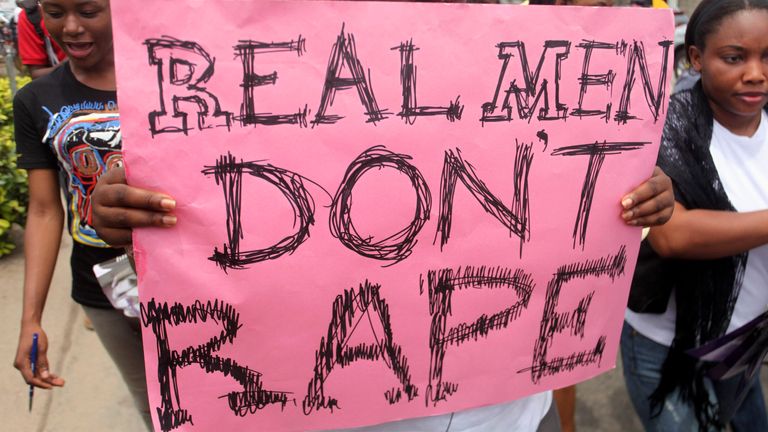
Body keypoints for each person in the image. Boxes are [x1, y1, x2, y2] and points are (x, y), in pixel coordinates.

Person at [622, 0, 768, 430]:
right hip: (665, 344)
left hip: (743, 340)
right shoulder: (663, 128)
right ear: (697, 58)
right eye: (735, 57)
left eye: (767, 57)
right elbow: (671, 233)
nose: (756, 72)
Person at [11, 0, 150, 429]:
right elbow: (44, 209)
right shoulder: (36, 99)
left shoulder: (167, 76)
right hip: (105, 283)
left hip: (194, 276)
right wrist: (31, 319)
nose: (70, 27)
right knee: (157, 407)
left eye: (89, 11)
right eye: (55, 12)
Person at [15, 0, 65, 78]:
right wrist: (71, 65)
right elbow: (36, 73)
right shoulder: (32, 15)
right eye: (55, 14)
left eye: (87, 13)